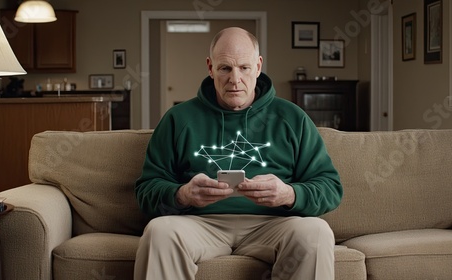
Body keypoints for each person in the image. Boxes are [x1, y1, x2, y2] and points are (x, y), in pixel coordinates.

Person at [134, 27, 343, 280]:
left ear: (258, 66)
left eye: (244, 67)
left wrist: (288, 193)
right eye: (225, 68)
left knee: (316, 231)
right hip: (199, 224)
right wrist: (183, 194)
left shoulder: (292, 118)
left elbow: (330, 187)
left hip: (274, 224)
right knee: (159, 231)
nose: (235, 79)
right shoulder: (178, 119)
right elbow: (147, 190)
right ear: (210, 68)